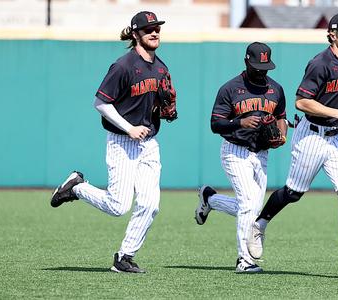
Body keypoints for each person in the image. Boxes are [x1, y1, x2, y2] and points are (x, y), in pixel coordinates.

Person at [246, 12, 338, 276]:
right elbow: (301, 102)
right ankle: (259, 223)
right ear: (332, 34)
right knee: (294, 193)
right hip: (312, 135)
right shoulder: (320, 63)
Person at [50, 11, 176, 274]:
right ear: (135, 34)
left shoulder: (161, 67)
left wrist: (165, 110)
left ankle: (124, 257)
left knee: (150, 204)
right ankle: (76, 187)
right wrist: (129, 128)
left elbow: (159, 101)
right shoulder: (123, 66)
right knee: (118, 207)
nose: (154, 33)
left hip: (149, 143)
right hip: (122, 141)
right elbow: (100, 103)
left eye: (157, 29)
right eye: (148, 29)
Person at [195, 42, 287, 273]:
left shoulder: (275, 89)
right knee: (248, 204)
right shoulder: (230, 89)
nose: (262, 71)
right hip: (235, 151)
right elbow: (215, 124)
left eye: (265, 67)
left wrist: (282, 134)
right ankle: (244, 260)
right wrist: (240, 122)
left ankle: (210, 199)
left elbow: (281, 117)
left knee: (252, 209)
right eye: (257, 66)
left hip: (262, 153)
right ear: (247, 62)